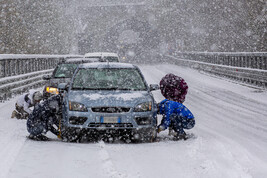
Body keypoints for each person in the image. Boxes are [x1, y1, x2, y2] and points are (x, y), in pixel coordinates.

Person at [157, 73, 195, 140]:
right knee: (172, 116)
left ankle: (180, 133)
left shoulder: (168, 105)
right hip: (187, 119)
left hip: (189, 121)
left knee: (172, 116)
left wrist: (160, 128)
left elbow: (167, 118)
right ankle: (175, 131)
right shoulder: (167, 103)